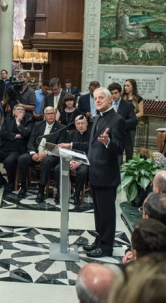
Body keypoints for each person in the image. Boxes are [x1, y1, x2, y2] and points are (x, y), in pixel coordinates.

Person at [62, 87, 126, 258]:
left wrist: (108, 142)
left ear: (110, 99)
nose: (97, 101)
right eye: (95, 98)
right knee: (98, 213)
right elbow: (90, 147)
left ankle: (106, 247)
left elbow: (120, 148)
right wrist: (71, 146)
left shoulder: (117, 120)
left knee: (107, 213)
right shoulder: (97, 118)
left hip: (107, 174)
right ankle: (99, 241)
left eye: (101, 98)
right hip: (95, 172)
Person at [17, 106, 67, 201]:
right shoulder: (38, 124)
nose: (51, 115)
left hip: (51, 155)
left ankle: (41, 190)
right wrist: (33, 154)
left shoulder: (61, 128)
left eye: (52, 113)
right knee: (22, 159)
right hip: (36, 153)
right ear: (45, 115)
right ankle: (22, 187)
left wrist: (45, 154)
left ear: (55, 114)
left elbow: (59, 146)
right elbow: (31, 142)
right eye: (48, 114)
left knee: (46, 162)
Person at [0, 104, 33, 191]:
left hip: (17, 149)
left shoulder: (28, 122)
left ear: (24, 113)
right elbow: (2, 134)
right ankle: (0, 180)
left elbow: (26, 134)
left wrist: (18, 122)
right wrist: (16, 136)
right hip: (4, 147)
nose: (20, 111)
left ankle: (11, 182)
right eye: (18, 109)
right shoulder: (8, 120)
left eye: (22, 110)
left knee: (8, 162)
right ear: (13, 112)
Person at [54, 115, 90, 205]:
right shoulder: (71, 134)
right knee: (57, 169)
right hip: (70, 159)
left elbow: (91, 150)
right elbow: (66, 150)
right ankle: (60, 193)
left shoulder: (92, 134)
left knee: (82, 172)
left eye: (82, 123)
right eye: (78, 124)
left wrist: (79, 162)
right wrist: (70, 160)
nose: (80, 126)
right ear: (75, 125)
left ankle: (76, 195)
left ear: (87, 124)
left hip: (85, 161)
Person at [108, 82, 137, 162]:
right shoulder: (107, 104)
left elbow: (134, 120)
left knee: (129, 155)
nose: (113, 95)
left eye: (115, 93)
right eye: (111, 93)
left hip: (125, 133)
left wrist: (120, 123)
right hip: (111, 134)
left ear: (120, 92)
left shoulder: (128, 105)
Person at [122, 79, 144, 159]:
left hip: (131, 124)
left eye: (128, 86)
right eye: (125, 86)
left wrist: (133, 117)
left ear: (133, 87)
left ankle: (129, 164)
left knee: (129, 147)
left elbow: (141, 112)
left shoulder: (138, 98)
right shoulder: (122, 97)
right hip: (122, 123)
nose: (125, 87)